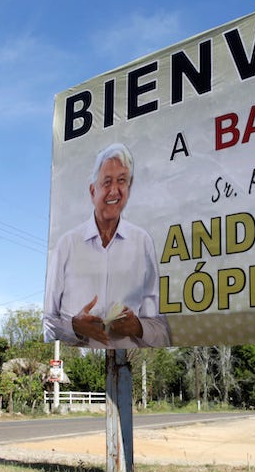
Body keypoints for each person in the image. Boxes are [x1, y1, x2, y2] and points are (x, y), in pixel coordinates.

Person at [43, 143, 170, 350]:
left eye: (121, 181)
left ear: (129, 187)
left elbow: (161, 331)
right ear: (93, 191)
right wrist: (74, 327)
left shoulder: (142, 242)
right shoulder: (67, 244)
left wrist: (138, 327)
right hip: (77, 363)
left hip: (130, 363)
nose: (114, 191)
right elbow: (48, 323)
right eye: (107, 182)